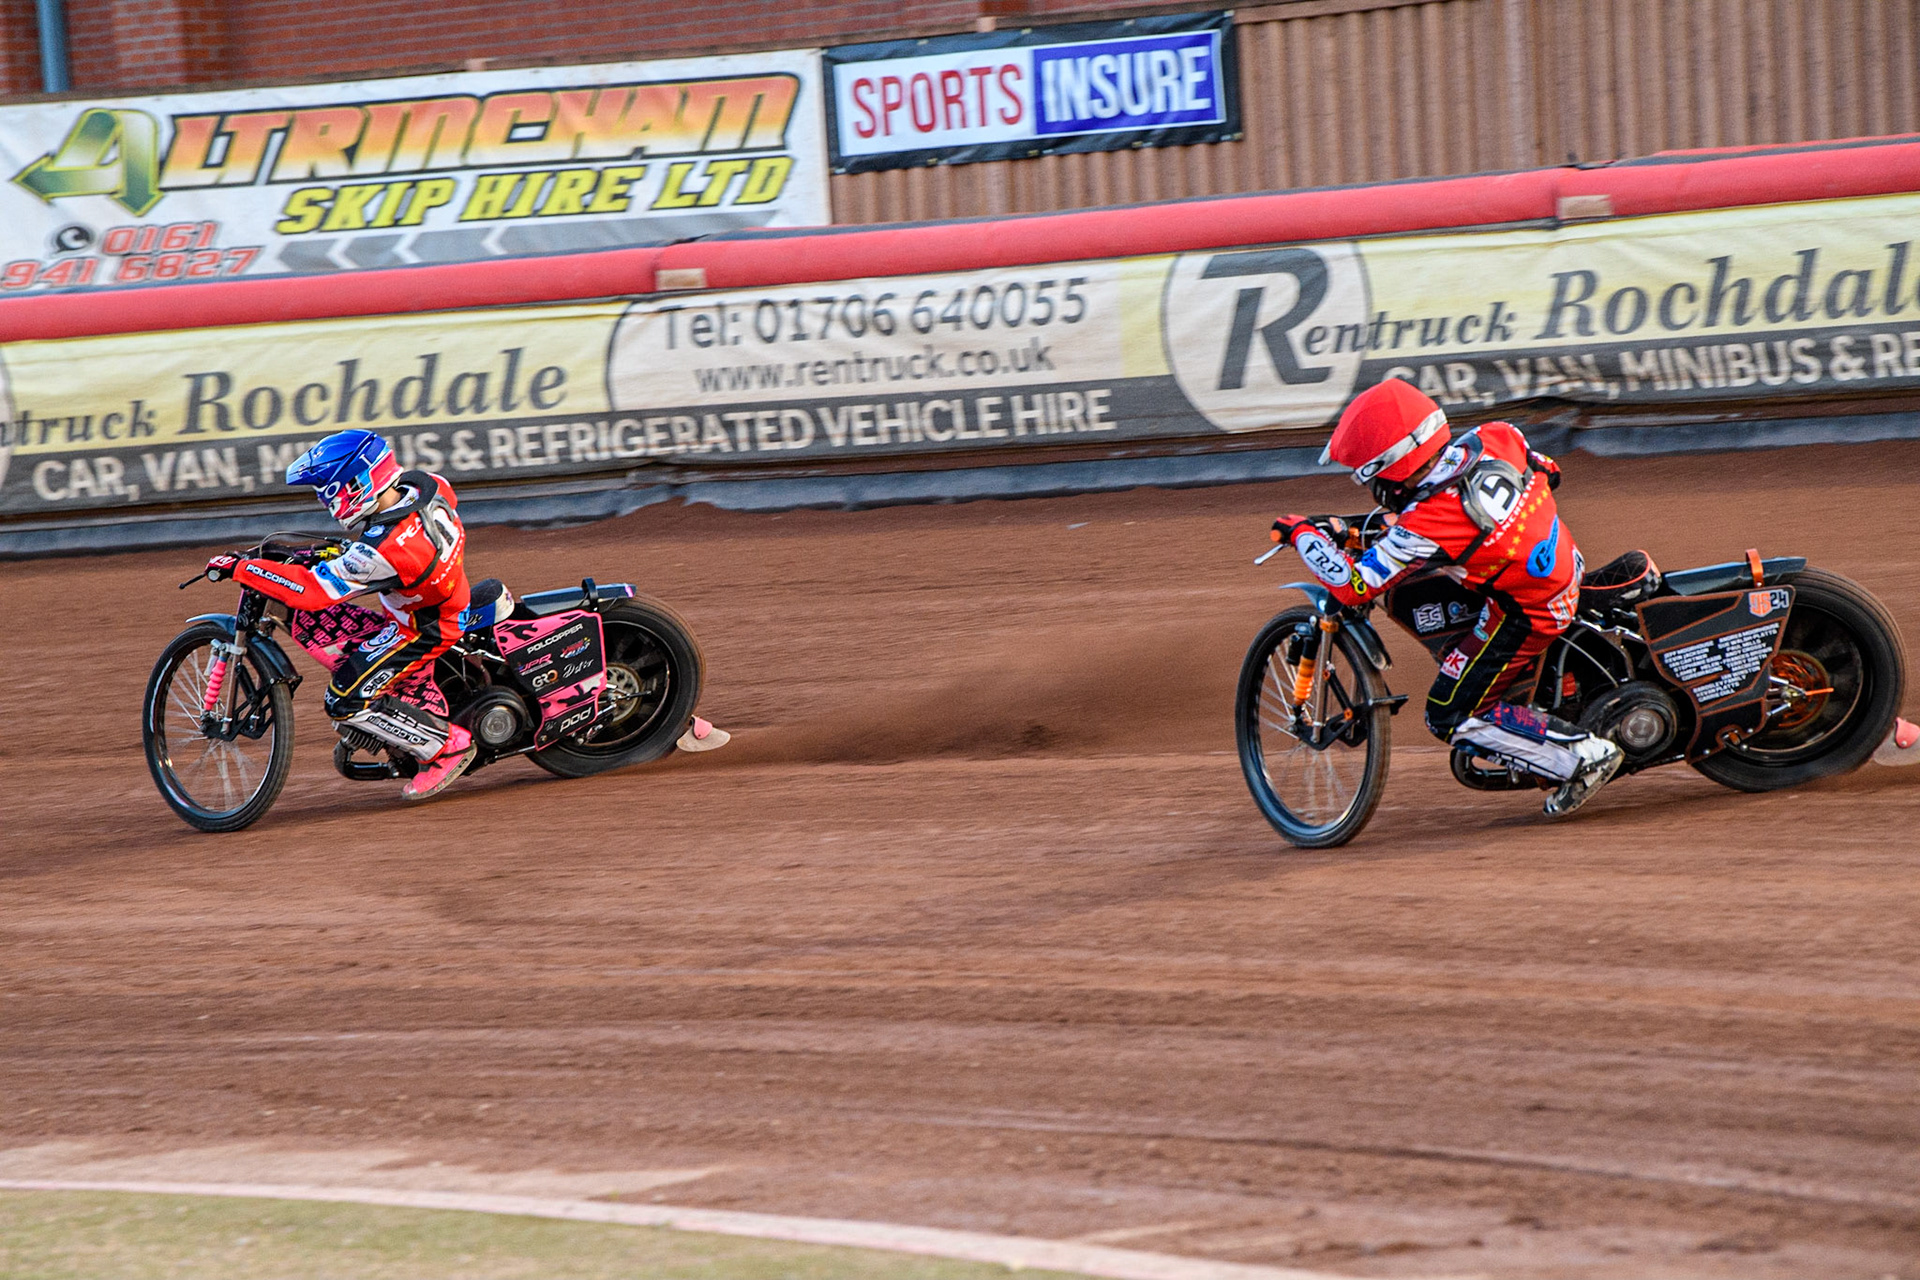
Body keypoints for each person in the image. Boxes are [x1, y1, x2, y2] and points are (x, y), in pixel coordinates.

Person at [1273, 378, 1624, 817]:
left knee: (1447, 712)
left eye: (1371, 477)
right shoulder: (1496, 435)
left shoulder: (1427, 523)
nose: (1372, 488)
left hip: (1527, 610)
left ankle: (1582, 758)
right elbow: (1550, 472)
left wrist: (1302, 533)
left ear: (1392, 469)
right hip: (1561, 563)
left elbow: (1354, 586)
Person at [203, 429, 478, 802]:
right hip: (430, 602)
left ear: (359, 483)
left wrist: (242, 569)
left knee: (344, 699)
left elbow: (314, 592)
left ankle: (446, 747)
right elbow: (375, 544)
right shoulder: (427, 487)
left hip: (423, 628)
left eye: (330, 491)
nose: (326, 501)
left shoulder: (386, 550)